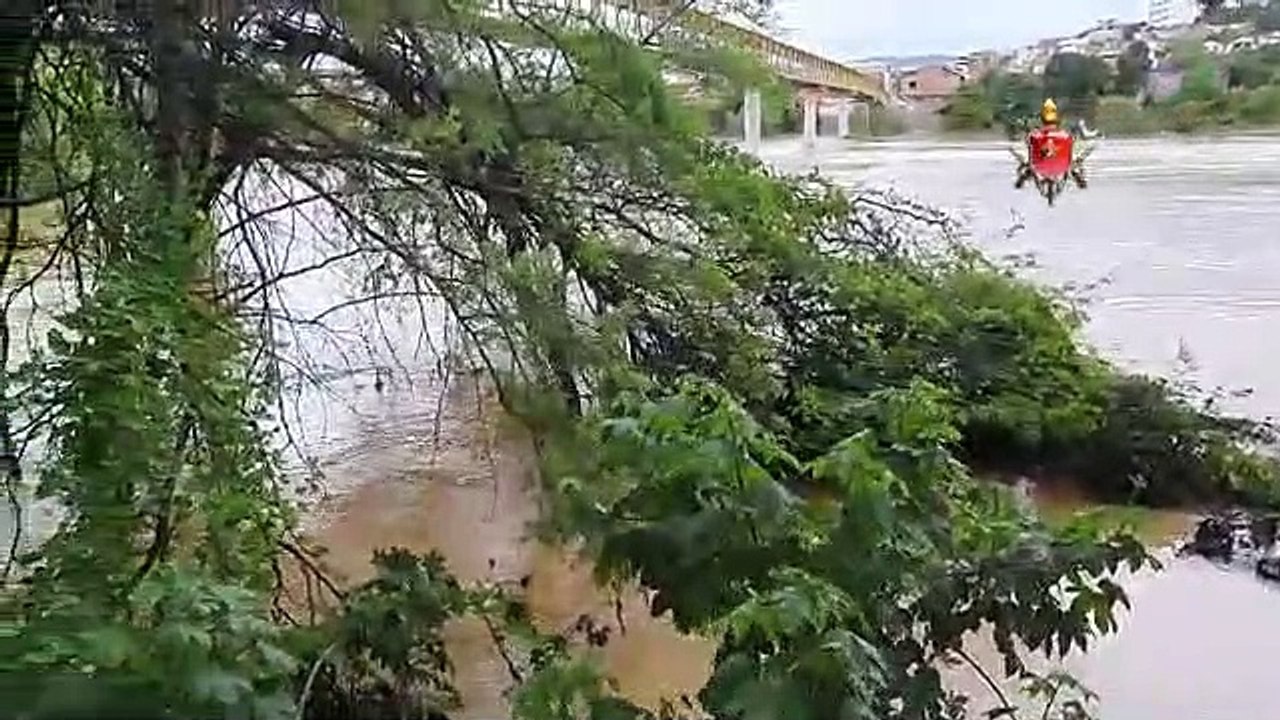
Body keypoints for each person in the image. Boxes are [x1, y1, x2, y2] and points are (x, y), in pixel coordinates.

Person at [1015, 98, 1087, 190]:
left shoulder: (1034, 136)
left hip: (1039, 166)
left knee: (1027, 162)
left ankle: (1025, 175)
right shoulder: (1066, 136)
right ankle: (1076, 174)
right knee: (1074, 161)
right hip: (1063, 166)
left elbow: (1028, 143)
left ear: (1042, 119)